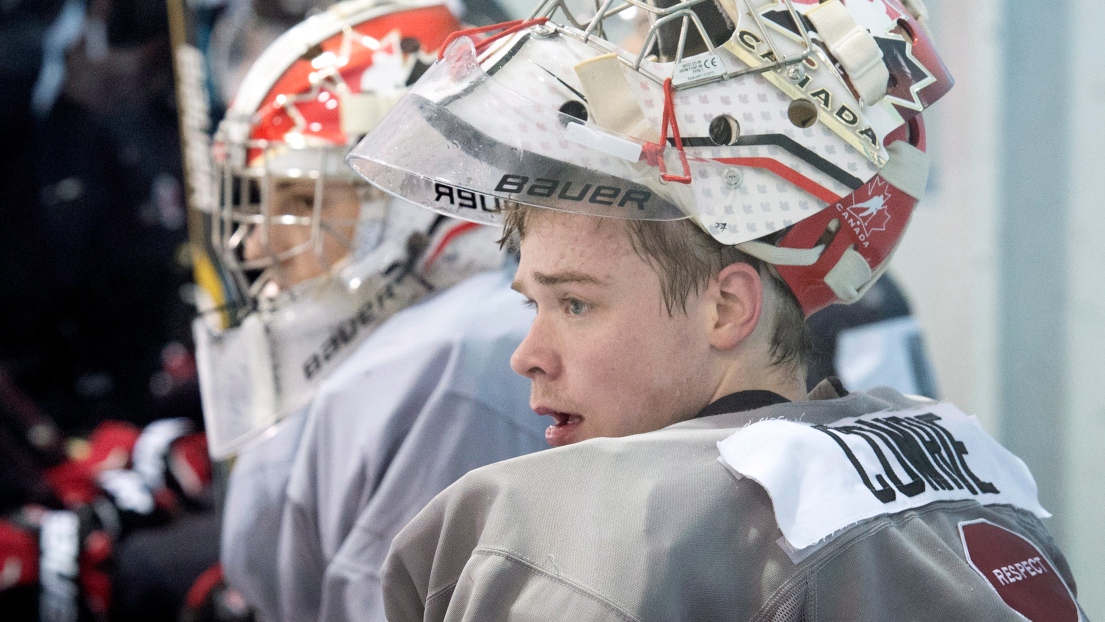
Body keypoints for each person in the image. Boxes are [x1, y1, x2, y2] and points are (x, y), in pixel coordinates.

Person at [346, 0, 1087, 618]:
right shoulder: (979, 481)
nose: (526, 355)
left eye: (573, 303)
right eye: (533, 303)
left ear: (727, 306)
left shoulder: (587, 545)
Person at [191, 2, 549, 621]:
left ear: (412, 202)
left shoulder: (452, 360)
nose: (255, 247)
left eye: (302, 201)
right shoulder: (439, 341)